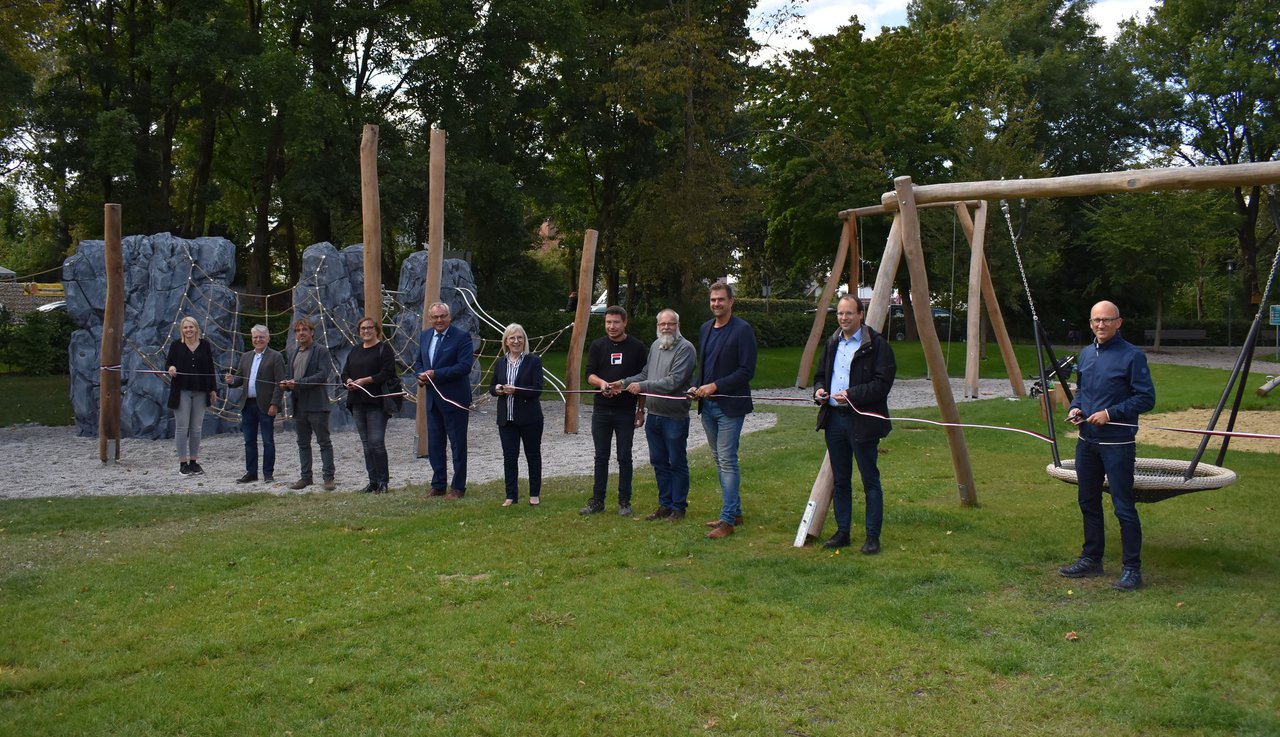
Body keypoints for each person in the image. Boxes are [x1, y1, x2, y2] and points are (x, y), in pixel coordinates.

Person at [1060, 300, 1156, 591]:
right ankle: (1091, 559)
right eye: (1095, 321)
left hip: (1118, 443)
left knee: (1123, 507)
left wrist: (1111, 413)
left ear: (1119, 322)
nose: (1100, 325)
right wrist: (1076, 408)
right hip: (1086, 441)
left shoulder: (1132, 356)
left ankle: (1132, 570)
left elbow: (1146, 398)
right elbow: (1082, 391)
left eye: (1106, 320)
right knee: (1087, 502)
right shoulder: (1087, 354)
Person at [812, 295, 896, 553]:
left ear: (861, 315)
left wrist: (852, 394)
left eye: (849, 313)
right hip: (835, 420)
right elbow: (820, 376)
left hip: (863, 421)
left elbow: (882, 384)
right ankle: (843, 531)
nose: (844, 318)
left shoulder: (877, 345)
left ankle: (872, 537)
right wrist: (819, 392)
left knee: (870, 480)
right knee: (841, 480)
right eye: (840, 313)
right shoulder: (832, 342)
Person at [692, 282, 757, 539]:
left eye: (721, 299)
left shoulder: (743, 330)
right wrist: (697, 386)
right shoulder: (705, 328)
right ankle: (735, 511)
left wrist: (716, 386)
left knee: (727, 460)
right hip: (707, 407)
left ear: (731, 302)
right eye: (713, 300)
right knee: (720, 460)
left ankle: (727, 521)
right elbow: (704, 365)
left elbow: (746, 371)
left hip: (730, 406)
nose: (716, 303)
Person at [625, 308, 695, 522]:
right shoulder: (656, 346)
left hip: (674, 417)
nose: (666, 327)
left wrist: (642, 385)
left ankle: (678, 507)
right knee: (659, 462)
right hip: (654, 415)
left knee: (676, 462)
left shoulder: (686, 348)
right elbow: (646, 374)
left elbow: (673, 382)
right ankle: (665, 504)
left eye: (670, 324)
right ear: (657, 326)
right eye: (662, 324)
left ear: (678, 325)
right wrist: (623, 383)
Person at [580, 305, 648, 516]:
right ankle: (597, 501)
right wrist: (602, 384)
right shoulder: (598, 346)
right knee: (601, 457)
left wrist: (640, 410)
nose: (611, 326)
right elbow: (589, 374)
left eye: (616, 322)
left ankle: (624, 501)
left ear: (625, 322)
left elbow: (644, 380)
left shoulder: (637, 347)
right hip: (601, 410)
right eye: (608, 322)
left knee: (624, 457)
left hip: (625, 411)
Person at [414, 301, 474, 498]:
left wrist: (436, 374)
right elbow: (419, 362)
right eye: (435, 317)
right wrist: (421, 375)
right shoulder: (425, 336)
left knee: (457, 444)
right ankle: (438, 484)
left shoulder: (461, 337)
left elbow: (464, 366)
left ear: (450, 317)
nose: (439, 320)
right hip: (432, 400)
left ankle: (458, 487)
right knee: (435, 444)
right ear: (430, 318)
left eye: (442, 316)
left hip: (454, 399)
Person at [489, 323, 544, 506]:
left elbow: (537, 390)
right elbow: (492, 387)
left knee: (533, 456)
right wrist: (497, 389)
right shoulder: (501, 362)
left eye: (519, 337)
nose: (516, 341)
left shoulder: (533, 361)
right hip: (507, 419)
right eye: (512, 337)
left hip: (529, 418)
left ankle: (534, 493)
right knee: (510, 457)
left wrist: (516, 390)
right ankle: (511, 495)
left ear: (524, 340)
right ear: (506, 341)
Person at [224, 324, 286, 483]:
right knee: (249, 441)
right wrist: (231, 381)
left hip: (266, 405)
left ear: (267, 339)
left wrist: (275, 404)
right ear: (252, 339)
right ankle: (251, 473)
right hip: (247, 404)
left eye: (261, 337)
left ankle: (268, 474)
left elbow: (280, 383)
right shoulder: (245, 357)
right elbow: (239, 379)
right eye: (255, 337)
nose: (258, 340)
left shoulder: (275, 356)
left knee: (268, 441)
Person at [342, 316, 398, 493]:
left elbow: (387, 373)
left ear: (376, 330)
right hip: (357, 402)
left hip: (376, 402)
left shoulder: (384, 349)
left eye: (369, 328)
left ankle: (383, 481)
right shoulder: (355, 350)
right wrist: (349, 381)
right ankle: (372, 481)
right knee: (366, 444)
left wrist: (365, 381)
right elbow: (345, 372)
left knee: (376, 443)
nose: (366, 331)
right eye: (362, 328)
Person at [280, 318, 336, 491]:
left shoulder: (321, 351)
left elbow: (322, 375)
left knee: (324, 442)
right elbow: (292, 378)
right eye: (297, 330)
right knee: (302, 444)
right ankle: (306, 477)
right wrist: (286, 385)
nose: (301, 333)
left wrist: (298, 383)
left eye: (304, 329)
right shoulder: (293, 353)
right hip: (299, 406)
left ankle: (328, 478)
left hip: (317, 405)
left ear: (312, 332)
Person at [166, 315, 218, 476]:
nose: (188, 330)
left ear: (196, 328)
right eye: (185, 327)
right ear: (182, 330)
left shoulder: (205, 345)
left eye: (191, 327)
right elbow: (168, 364)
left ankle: (194, 462)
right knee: (182, 427)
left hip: (201, 390)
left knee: (196, 428)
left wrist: (213, 389)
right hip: (182, 390)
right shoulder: (176, 345)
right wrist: (171, 368)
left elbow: (210, 368)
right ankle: (183, 463)